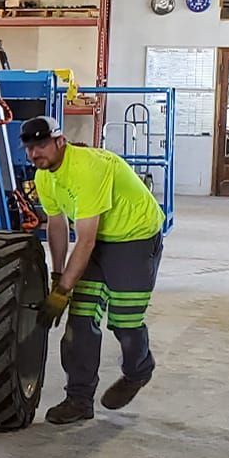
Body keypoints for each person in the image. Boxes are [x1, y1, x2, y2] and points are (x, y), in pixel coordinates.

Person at [19, 116, 165, 426]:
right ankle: (79, 400)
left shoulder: (87, 169)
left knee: (125, 323)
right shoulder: (44, 177)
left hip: (134, 237)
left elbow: (84, 241)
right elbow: (57, 225)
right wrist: (58, 275)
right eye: (29, 148)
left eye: (41, 145)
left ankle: (138, 370)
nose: (34, 153)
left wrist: (63, 291)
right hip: (98, 239)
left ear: (60, 141)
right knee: (80, 323)